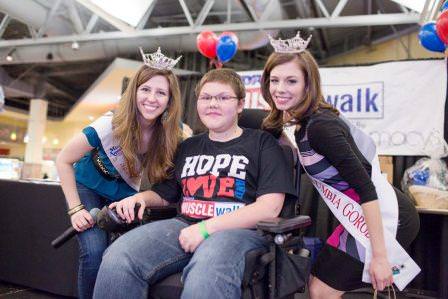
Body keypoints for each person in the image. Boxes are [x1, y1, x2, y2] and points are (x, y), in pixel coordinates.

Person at [92, 68, 296, 299]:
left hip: (239, 231)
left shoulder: (263, 143)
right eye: (206, 97)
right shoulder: (188, 146)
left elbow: (270, 207)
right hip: (184, 226)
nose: (213, 104)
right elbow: (166, 194)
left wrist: (206, 228)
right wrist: (139, 198)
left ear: (240, 105)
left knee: (206, 273)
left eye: (223, 98)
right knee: (118, 257)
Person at [260, 31, 420, 298]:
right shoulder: (304, 124)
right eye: (274, 80)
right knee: (316, 286)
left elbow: (366, 189)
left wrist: (379, 257)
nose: (280, 89)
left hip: (389, 216)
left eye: (291, 81)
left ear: (307, 84)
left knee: (321, 291)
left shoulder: (321, 125)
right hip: (359, 217)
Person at [55, 47, 182, 299]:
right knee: (94, 250)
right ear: (134, 91)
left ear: (170, 100)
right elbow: (63, 160)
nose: (151, 98)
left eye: (160, 92)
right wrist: (75, 210)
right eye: (145, 89)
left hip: (125, 195)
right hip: (88, 188)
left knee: (129, 251)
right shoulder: (108, 124)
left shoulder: (172, 135)